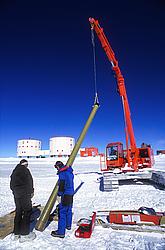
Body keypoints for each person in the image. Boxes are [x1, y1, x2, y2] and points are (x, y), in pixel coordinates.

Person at [10, 159, 36, 243]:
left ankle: (16, 233)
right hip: (24, 194)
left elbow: (11, 185)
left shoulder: (14, 171)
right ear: (26, 164)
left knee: (18, 211)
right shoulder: (26, 170)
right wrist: (31, 192)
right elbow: (29, 182)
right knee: (27, 211)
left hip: (16, 194)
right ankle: (24, 234)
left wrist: (15, 191)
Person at [51, 161, 74, 238]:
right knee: (69, 209)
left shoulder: (62, 173)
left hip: (65, 194)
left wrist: (59, 194)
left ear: (58, 166)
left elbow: (62, 184)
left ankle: (61, 232)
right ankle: (68, 225)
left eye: (56, 167)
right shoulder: (69, 172)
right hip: (71, 193)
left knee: (62, 212)